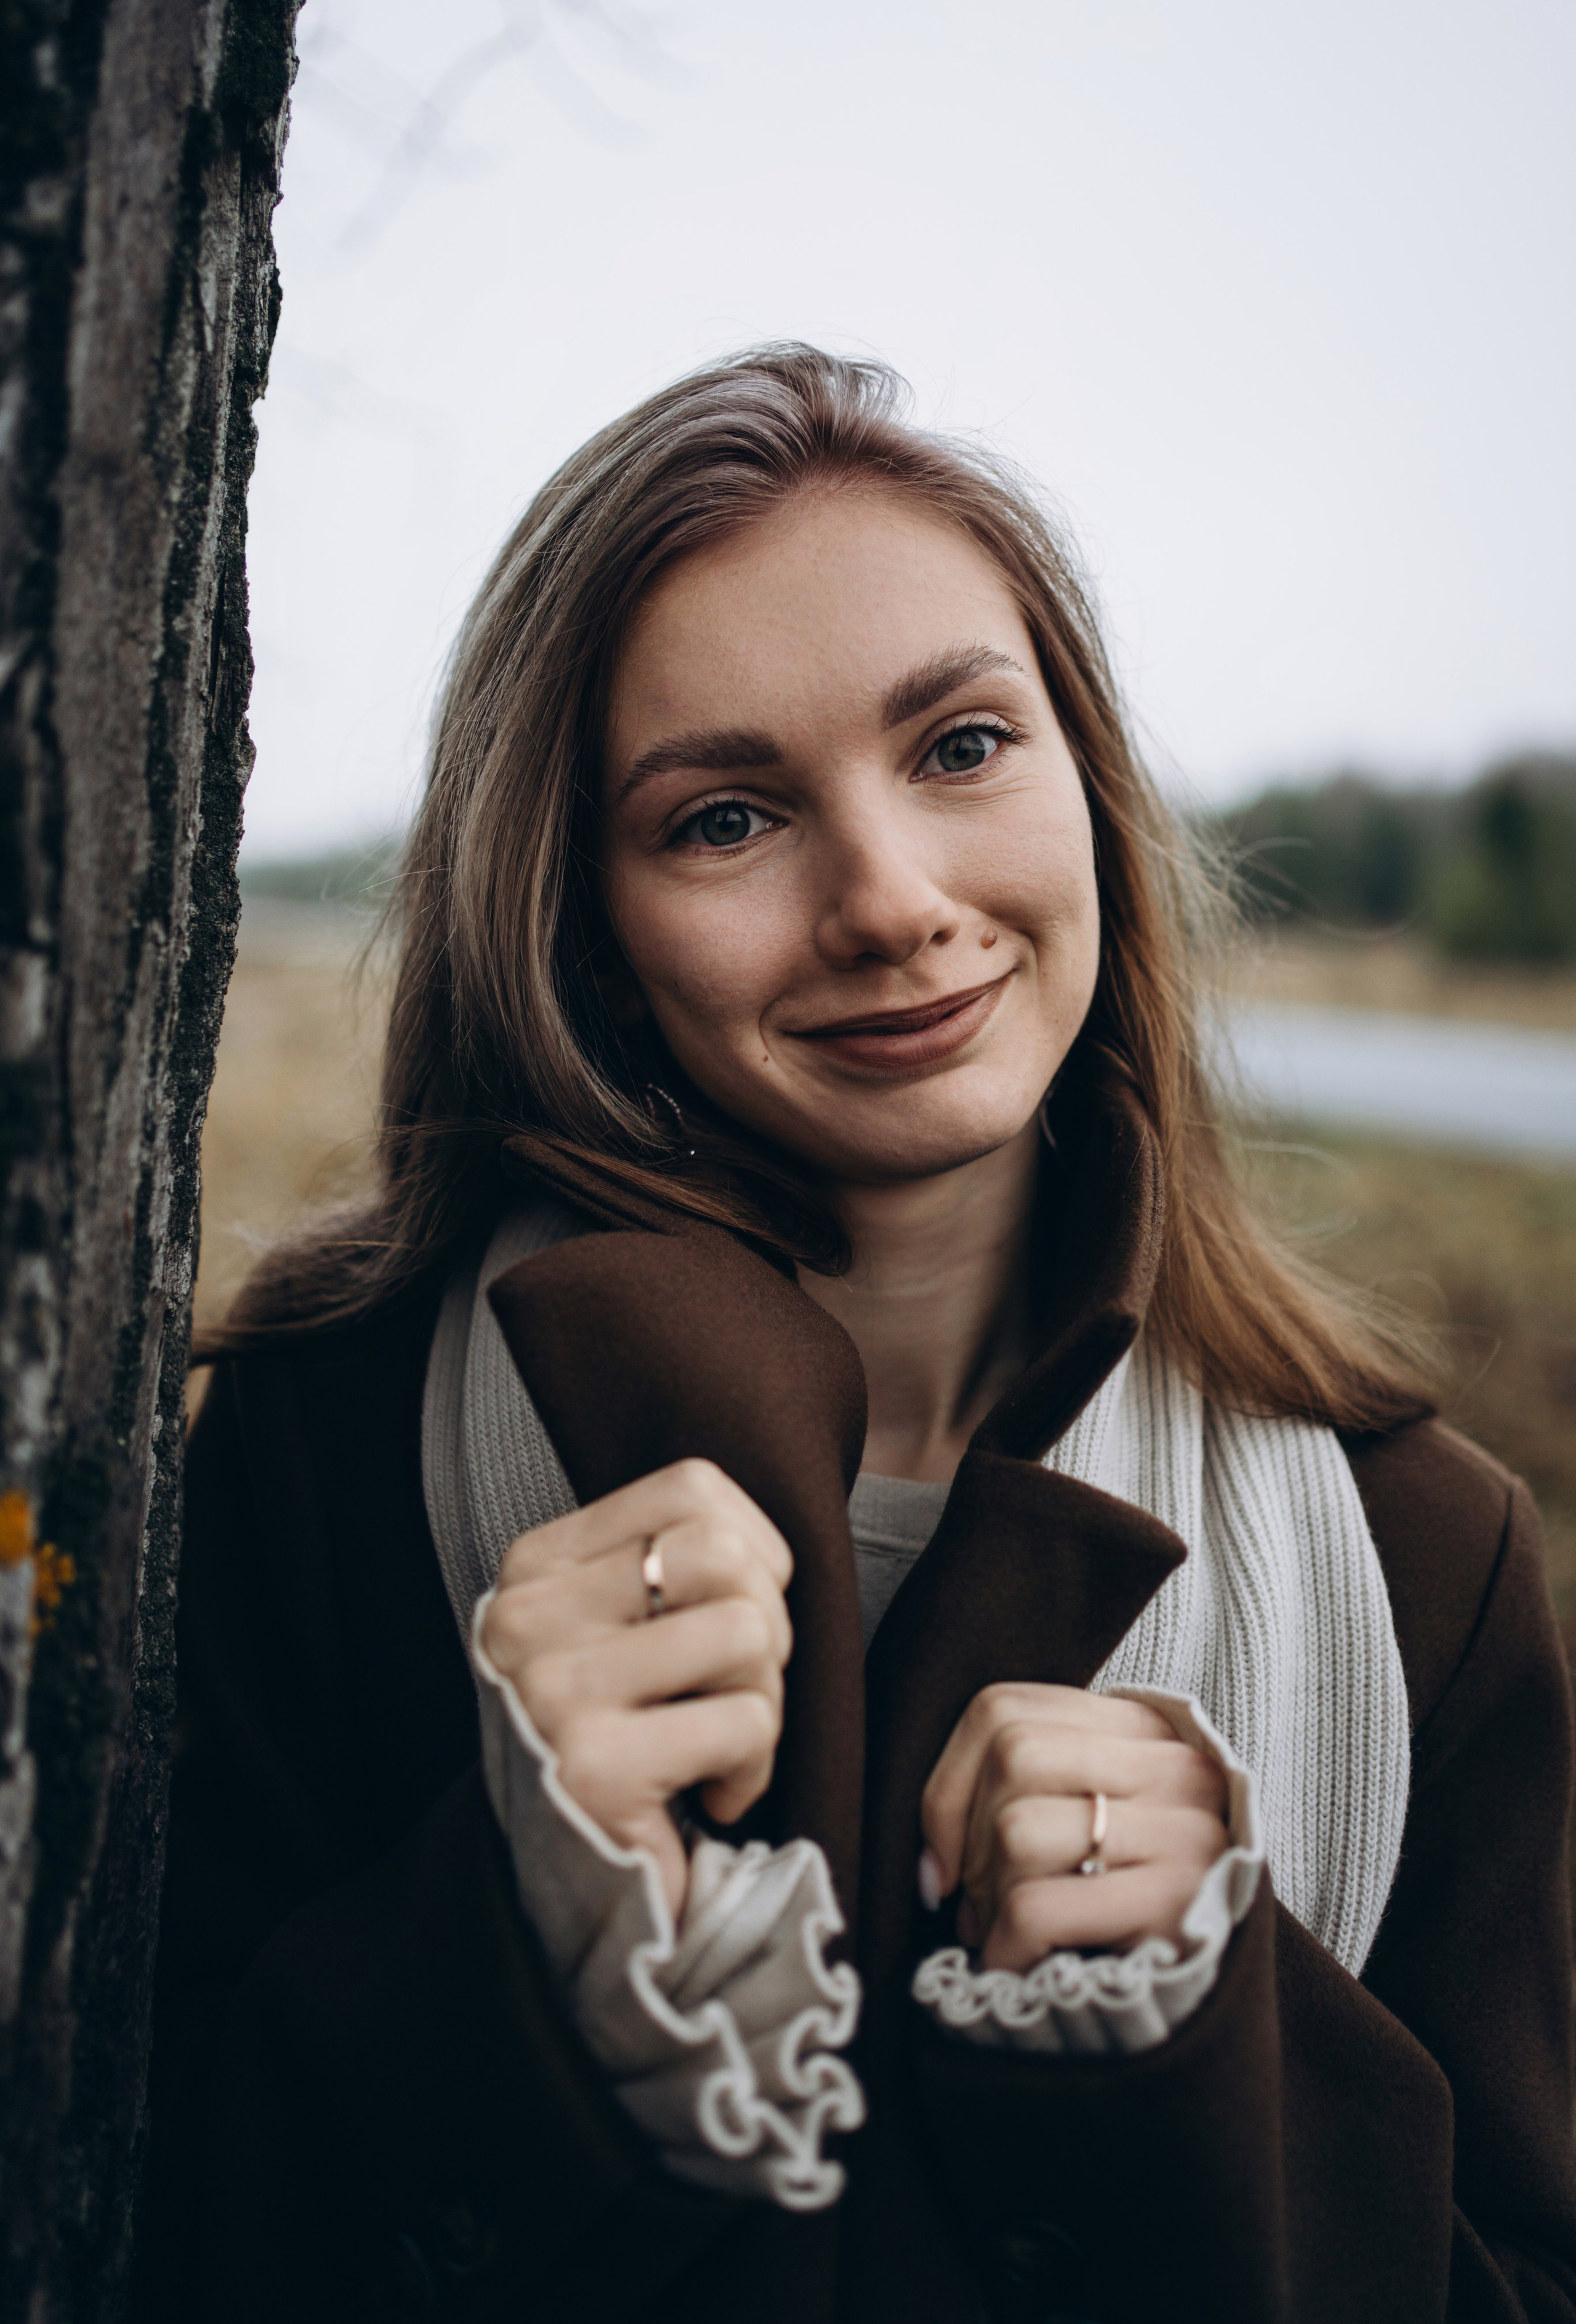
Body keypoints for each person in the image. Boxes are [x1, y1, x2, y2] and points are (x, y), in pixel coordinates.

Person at [136, 347, 1576, 2323]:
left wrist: (1210, 2036)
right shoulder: (328, 1445)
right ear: (586, 931)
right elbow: (137, 2219)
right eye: (726, 817)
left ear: (1090, 779)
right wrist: (520, 1932)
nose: (890, 902)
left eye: (964, 746)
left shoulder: (1427, 1558)